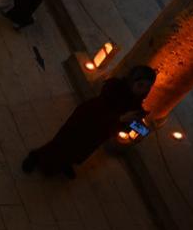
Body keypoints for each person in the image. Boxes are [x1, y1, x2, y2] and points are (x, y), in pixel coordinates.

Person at [24, 65, 157, 179]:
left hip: (100, 132)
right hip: (86, 120)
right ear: (132, 80)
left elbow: (126, 124)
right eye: (140, 85)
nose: (142, 90)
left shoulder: (136, 104)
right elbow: (102, 109)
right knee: (64, 143)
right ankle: (36, 157)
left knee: (81, 149)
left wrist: (140, 127)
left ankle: (65, 163)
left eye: (146, 88)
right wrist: (121, 118)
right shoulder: (114, 86)